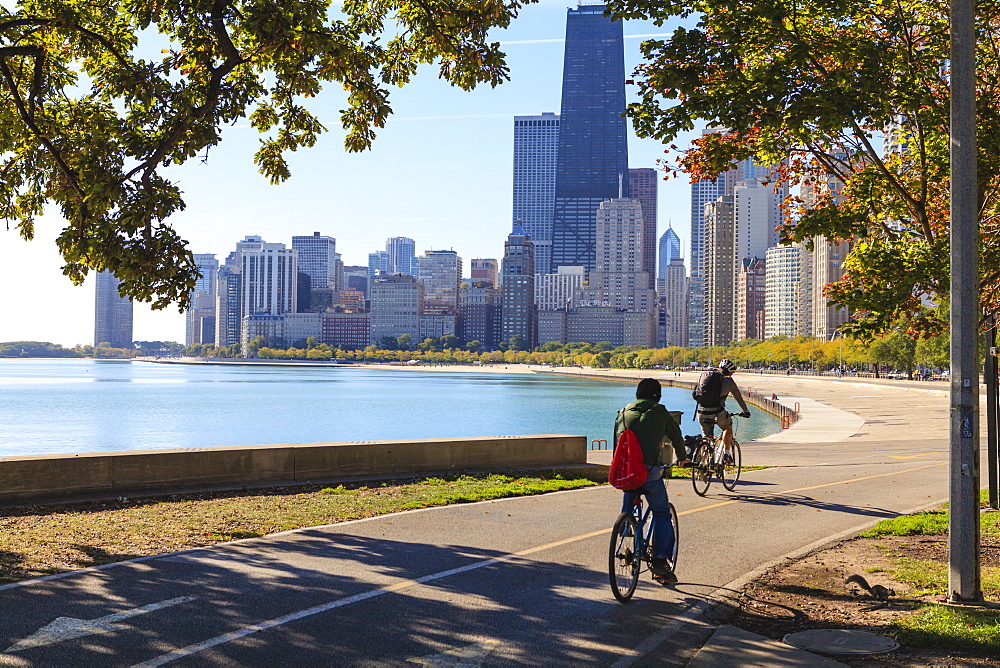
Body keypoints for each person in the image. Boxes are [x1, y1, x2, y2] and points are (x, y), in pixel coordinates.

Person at [613, 378, 688, 582]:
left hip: (626, 472)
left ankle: (626, 523)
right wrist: (682, 458)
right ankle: (661, 562)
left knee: (631, 491)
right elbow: (676, 436)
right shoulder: (659, 412)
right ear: (658, 396)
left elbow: (617, 443)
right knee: (662, 513)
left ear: (637, 394)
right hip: (649, 472)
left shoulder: (624, 412)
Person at [696, 359, 751, 462]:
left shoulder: (706, 376)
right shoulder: (729, 381)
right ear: (730, 372)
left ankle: (702, 464)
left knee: (706, 438)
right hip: (717, 411)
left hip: (702, 410)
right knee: (727, 427)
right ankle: (726, 453)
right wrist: (746, 411)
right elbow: (739, 398)